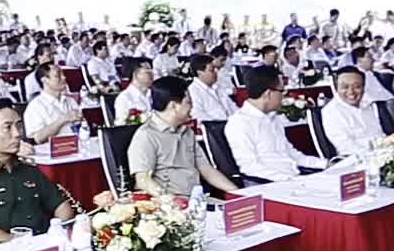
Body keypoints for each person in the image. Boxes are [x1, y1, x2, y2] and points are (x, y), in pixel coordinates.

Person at [0, 100, 76, 242]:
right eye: (8, 128)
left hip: (41, 245)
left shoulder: (28, 169)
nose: (17, 134)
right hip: (2, 250)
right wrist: (16, 242)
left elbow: (62, 206)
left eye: (19, 126)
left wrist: (55, 233)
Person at [124, 76, 238, 204]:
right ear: (174, 106)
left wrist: (238, 193)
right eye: (188, 102)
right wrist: (171, 201)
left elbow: (206, 169)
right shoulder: (146, 136)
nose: (192, 107)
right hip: (168, 206)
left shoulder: (186, 132)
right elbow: (143, 180)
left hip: (196, 200)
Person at [225, 68, 325, 181]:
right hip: (269, 185)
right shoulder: (240, 123)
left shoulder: (273, 118)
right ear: (268, 94)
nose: (284, 96)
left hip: (293, 178)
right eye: (282, 91)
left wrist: (325, 165)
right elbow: (249, 168)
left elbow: (293, 155)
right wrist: (289, 179)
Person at [320, 66, 382, 158]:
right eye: (345, 87)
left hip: (382, 155)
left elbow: (380, 135)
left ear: (363, 88)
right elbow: (346, 147)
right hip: (356, 161)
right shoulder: (331, 111)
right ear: (336, 88)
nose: (351, 92)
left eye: (357, 87)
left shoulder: (369, 104)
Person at [22, 61, 85, 144]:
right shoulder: (35, 106)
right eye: (58, 75)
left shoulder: (70, 101)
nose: (64, 77)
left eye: (63, 74)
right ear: (45, 80)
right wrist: (62, 120)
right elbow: (38, 138)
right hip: (53, 152)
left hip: (77, 145)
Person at [185, 54, 236, 123]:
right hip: (216, 127)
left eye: (216, 69)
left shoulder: (217, 87)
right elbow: (198, 117)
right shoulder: (194, 91)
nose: (216, 72)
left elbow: (232, 106)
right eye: (212, 70)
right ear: (200, 73)